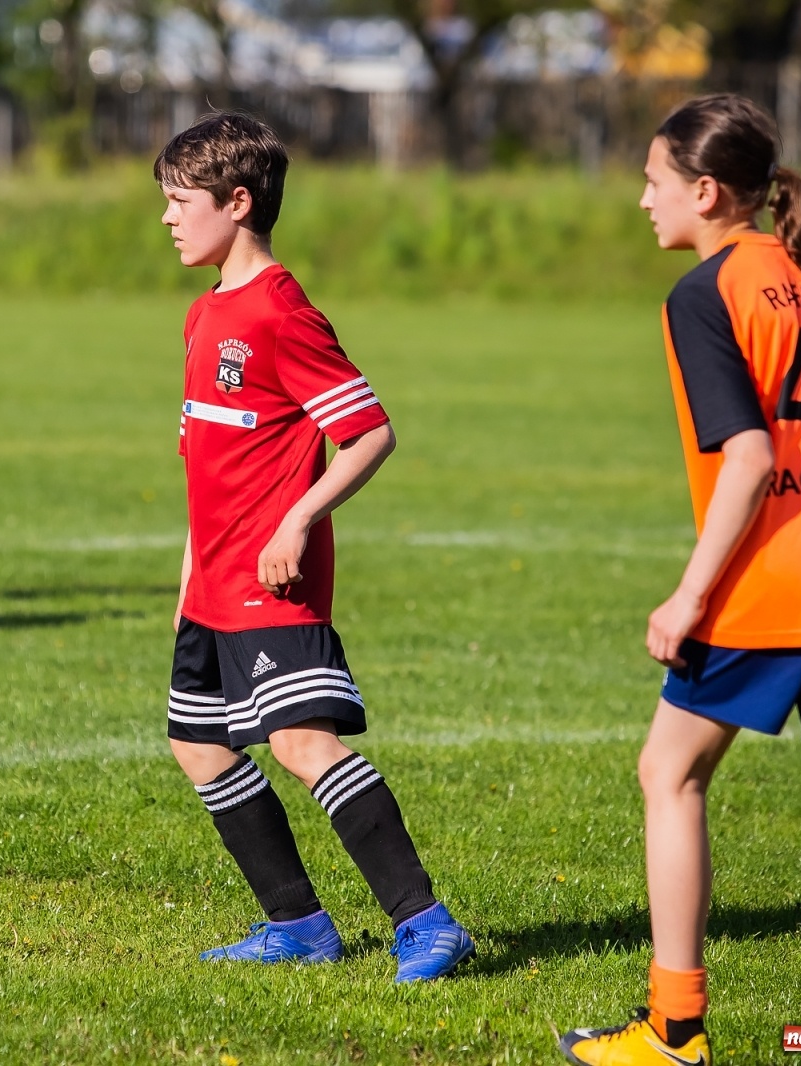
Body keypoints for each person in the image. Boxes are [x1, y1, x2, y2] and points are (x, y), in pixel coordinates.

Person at [560, 93, 801, 1066]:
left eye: (652, 181)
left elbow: (747, 457)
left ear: (703, 190)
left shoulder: (707, 290)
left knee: (668, 772)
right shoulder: (798, 275)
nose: (641, 199)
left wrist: (689, 595)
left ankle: (674, 1028)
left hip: (777, 584)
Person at [157, 113, 474, 982]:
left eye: (182, 202)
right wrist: (188, 577)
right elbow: (206, 466)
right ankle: (297, 925)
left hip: (271, 579)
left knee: (301, 744)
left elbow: (369, 433)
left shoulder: (280, 310)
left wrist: (298, 521)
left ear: (238, 202)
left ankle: (428, 922)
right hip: (211, 582)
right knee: (199, 743)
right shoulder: (203, 316)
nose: (168, 218)